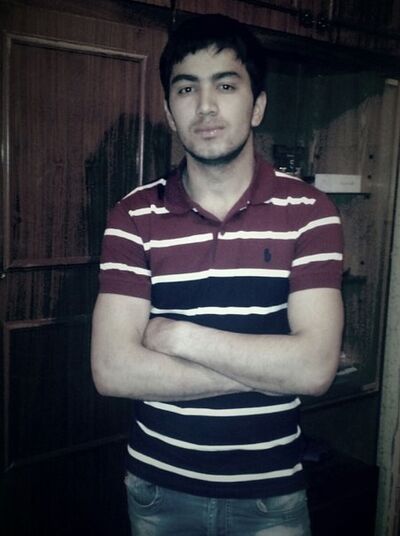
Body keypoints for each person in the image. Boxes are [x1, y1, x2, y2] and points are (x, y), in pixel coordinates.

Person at [91, 13, 344, 536]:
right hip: (158, 489)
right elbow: (113, 371)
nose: (205, 106)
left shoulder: (311, 212)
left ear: (257, 105)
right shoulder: (132, 216)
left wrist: (176, 336)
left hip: (271, 495)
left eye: (226, 85)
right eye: (187, 89)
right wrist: (272, 370)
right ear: (169, 111)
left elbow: (316, 369)